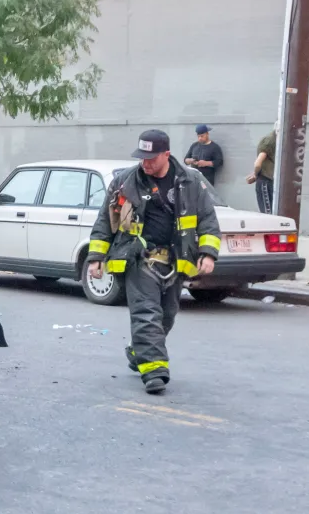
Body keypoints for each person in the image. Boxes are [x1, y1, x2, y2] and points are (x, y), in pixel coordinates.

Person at [86, 129, 221, 395]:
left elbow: (207, 220)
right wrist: (96, 257)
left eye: (151, 158)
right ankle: (155, 369)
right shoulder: (124, 182)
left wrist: (207, 253)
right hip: (138, 259)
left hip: (176, 261)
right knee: (146, 313)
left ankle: (139, 350)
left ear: (167, 155)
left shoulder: (191, 181)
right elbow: (105, 222)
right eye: (142, 157)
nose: (145, 163)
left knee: (166, 316)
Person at [245, 123, 277, 213]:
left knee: (273, 213)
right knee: (268, 213)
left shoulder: (278, 139)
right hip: (266, 181)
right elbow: (258, 163)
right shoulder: (270, 141)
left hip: (271, 181)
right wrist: (255, 174)